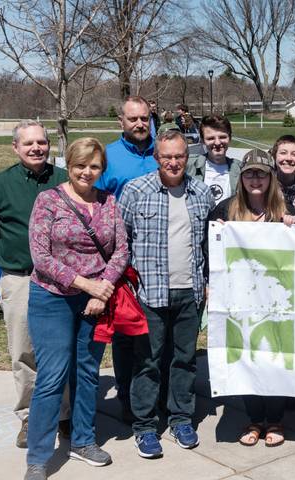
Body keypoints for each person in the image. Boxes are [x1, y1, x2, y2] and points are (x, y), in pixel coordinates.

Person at [25, 138, 129, 479]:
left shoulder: (109, 202)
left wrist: (103, 291)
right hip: (51, 299)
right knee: (52, 377)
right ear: (68, 165)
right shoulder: (48, 201)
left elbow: (121, 252)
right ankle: (39, 457)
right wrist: (87, 285)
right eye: (80, 165)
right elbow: (41, 258)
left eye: (94, 166)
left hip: (95, 302)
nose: (87, 172)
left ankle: (84, 440)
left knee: (86, 373)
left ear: (102, 169)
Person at [118, 130, 214, 458]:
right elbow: (121, 242)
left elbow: (207, 245)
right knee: (147, 361)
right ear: (156, 158)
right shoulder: (135, 191)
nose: (173, 162)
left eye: (179, 156)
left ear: (188, 157)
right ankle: (144, 425)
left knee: (184, 360)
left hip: (190, 292)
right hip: (149, 293)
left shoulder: (201, 194)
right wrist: (128, 285)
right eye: (167, 157)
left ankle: (181, 418)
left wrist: (207, 283)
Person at [210, 148, 295, 447]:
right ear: (241, 177)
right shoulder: (225, 210)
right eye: (249, 173)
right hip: (239, 300)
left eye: (261, 173)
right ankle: (254, 419)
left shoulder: (283, 212)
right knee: (246, 356)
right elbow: (211, 256)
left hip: (276, 301)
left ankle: (275, 419)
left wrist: (293, 229)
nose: (255, 178)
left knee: (274, 357)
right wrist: (218, 235)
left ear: (271, 177)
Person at [0, 120, 70, 450]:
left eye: (41, 142)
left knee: (60, 349)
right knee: (23, 351)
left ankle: (64, 414)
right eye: (29, 144)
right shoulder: (1, 184)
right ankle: (30, 415)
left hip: (61, 280)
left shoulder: (63, 181)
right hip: (20, 277)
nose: (37, 148)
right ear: (16, 147)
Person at [96, 95, 158, 424]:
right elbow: (95, 204)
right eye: (133, 119)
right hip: (122, 259)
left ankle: (152, 394)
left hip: (159, 256)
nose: (139, 124)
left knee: (155, 333)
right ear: (121, 121)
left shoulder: (162, 151)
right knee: (125, 334)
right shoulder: (108, 157)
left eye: (144, 118)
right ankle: (125, 395)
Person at [187, 114, 242, 204]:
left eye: (222, 137)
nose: (217, 142)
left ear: (230, 138)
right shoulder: (189, 166)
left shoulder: (241, 169)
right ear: (202, 141)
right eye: (210, 138)